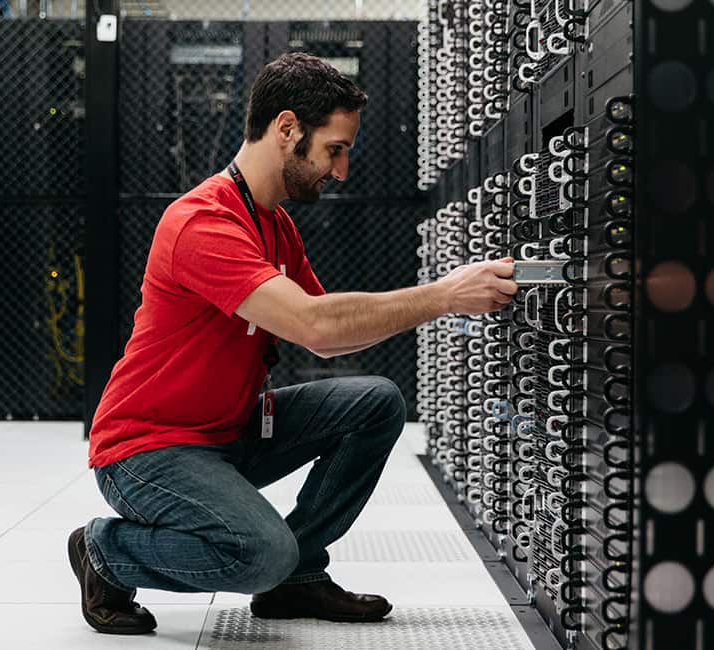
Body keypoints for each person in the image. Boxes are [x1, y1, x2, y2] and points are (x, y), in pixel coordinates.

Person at [68, 52, 517, 635]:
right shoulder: (201, 223)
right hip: (148, 449)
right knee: (259, 553)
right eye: (335, 149)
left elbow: (328, 340)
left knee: (377, 403)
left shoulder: (274, 226)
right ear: (286, 129)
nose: (341, 171)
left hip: (227, 431)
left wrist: (438, 298)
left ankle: (297, 577)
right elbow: (316, 326)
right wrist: (444, 296)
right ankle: (106, 551)